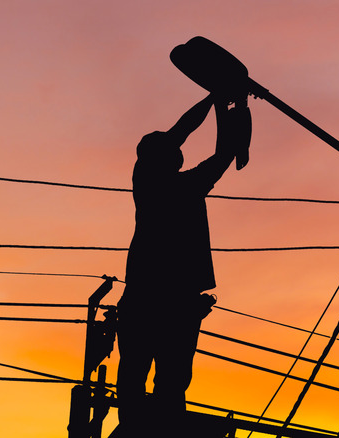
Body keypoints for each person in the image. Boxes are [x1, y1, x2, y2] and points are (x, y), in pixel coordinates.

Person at [115, 91, 251, 436]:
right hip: (173, 304)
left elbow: (186, 131)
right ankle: (155, 428)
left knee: (136, 378)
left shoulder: (146, 181)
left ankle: (137, 428)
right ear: (168, 157)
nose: (177, 145)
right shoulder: (186, 185)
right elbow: (221, 150)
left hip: (145, 300)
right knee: (169, 384)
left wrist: (219, 100)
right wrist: (224, 104)